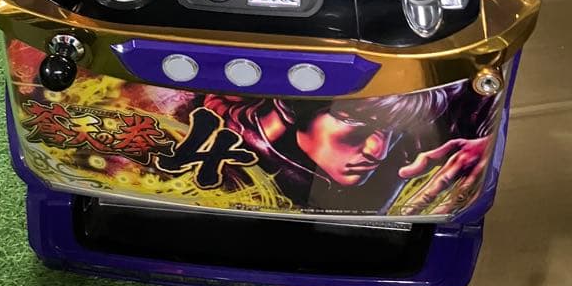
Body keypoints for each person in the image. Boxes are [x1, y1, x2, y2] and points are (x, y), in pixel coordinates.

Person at [205, 83, 496, 215]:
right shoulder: (237, 133)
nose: (378, 152)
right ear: (296, 109)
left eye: (393, 132)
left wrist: (484, 145)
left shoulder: (423, 140)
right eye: (359, 127)